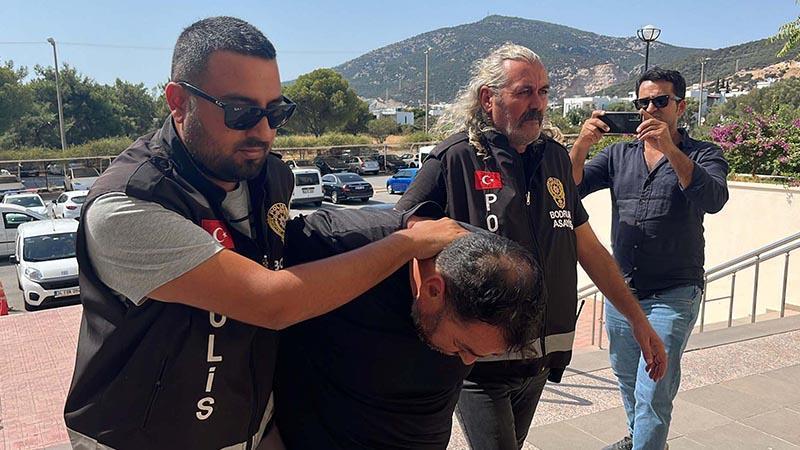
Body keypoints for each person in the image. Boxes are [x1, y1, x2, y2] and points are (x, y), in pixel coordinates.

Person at [63, 17, 465, 450]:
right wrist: (406, 243)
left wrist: (265, 427)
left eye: (276, 112)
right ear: (179, 102)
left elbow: (300, 241)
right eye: (241, 112)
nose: (263, 132)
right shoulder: (129, 205)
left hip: (243, 430)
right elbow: (271, 302)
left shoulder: (268, 176)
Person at [397, 42, 667, 450]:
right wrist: (437, 324)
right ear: (488, 99)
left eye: (543, 92)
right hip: (479, 365)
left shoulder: (555, 159)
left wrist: (638, 321)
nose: (537, 103)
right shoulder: (455, 158)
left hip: (539, 358)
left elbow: (589, 249)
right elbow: (404, 232)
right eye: (524, 92)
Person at [274, 205, 544, 449]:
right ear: (433, 291)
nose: (467, 361)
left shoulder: (499, 268)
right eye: (462, 347)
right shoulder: (336, 243)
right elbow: (266, 305)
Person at [570, 67, 729, 450]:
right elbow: (571, 188)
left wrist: (670, 150)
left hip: (674, 292)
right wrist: (581, 145)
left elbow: (714, 199)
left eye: (660, 101)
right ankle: (641, 439)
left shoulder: (704, 153)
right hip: (622, 293)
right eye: (643, 102)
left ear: (680, 106)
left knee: (654, 390)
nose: (651, 109)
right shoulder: (618, 154)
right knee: (628, 378)